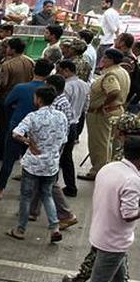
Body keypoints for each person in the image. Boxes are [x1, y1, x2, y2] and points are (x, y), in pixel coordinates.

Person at [68, 136, 140, 282]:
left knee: (118, 281)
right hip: (114, 241)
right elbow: (127, 213)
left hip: (102, 233)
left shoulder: (109, 168)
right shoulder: (132, 180)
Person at [0, 62, 48, 201]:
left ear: (33, 70)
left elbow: (6, 103)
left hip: (18, 127)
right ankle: (31, 193)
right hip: (38, 129)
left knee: (9, 159)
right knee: (33, 157)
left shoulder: (21, 87)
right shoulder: (49, 90)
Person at [6, 85, 67, 243]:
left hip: (33, 163)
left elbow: (16, 133)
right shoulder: (61, 117)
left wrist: (29, 142)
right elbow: (63, 141)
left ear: (39, 99)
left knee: (26, 197)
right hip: (51, 164)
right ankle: (54, 227)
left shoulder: (32, 116)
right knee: (47, 195)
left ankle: (21, 229)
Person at [84, 48, 132, 180]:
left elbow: (114, 91)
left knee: (99, 143)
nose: (102, 60)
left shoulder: (111, 74)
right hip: (116, 110)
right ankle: (109, 169)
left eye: (105, 58)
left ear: (111, 60)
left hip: (103, 113)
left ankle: (98, 171)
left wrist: (102, 105)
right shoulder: (122, 71)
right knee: (112, 142)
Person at [59, 59, 90, 197]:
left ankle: (58, 186)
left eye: (60, 70)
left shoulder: (67, 87)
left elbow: (62, 107)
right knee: (66, 157)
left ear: (66, 70)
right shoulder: (84, 85)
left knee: (59, 155)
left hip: (65, 123)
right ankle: (70, 186)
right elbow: (85, 106)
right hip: (75, 123)